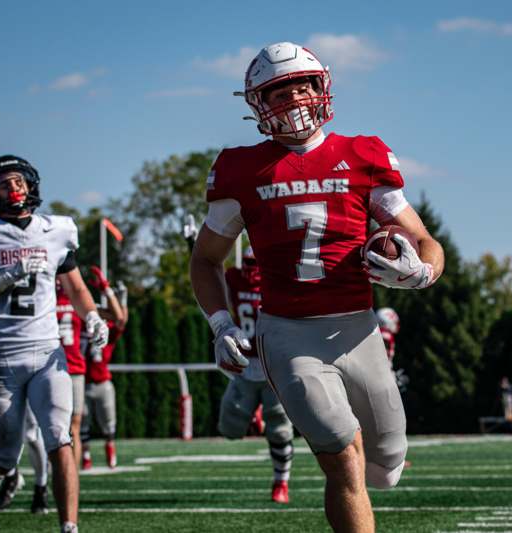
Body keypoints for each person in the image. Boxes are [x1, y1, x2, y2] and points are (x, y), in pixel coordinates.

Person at [190, 42, 444, 532]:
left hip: (358, 330)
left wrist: (422, 272)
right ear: (257, 104)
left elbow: (425, 241)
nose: (294, 99)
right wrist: (219, 323)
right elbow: (205, 259)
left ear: (322, 86)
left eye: (301, 85)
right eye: (278, 91)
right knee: (343, 456)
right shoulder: (241, 169)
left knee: (386, 466)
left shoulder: (363, 154)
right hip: (288, 334)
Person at [0, 154, 108, 533]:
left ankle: (69, 527)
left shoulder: (54, 230)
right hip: (2, 355)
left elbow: (75, 287)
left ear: (32, 186)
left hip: (47, 353)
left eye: (19, 182)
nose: (14, 189)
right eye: (6, 184)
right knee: (7, 453)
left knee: (60, 440)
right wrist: (3, 279)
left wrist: (91, 317)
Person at [218, 246, 294, 504]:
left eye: (254, 263)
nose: (250, 270)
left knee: (281, 431)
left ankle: (280, 482)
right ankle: (254, 415)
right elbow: (210, 273)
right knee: (229, 429)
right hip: (244, 364)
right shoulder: (238, 278)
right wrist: (193, 248)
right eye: (247, 263)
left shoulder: (275, 281)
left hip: (273, 365)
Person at [81, 267, 127, 470]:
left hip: (101, 382)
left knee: (109, 423)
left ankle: (110, 452)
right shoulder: (78, 327)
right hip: (81, 381)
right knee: (82, 423)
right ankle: (86, 456)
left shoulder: (107, 334)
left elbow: (119, 319)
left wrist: (109, 291)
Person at [56, 279, 87, 469]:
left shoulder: (78, 299)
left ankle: (70, 474)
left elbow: (116, 318)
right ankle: (65, 473)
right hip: (56, 369)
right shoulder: (77, 300)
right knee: (68, 427)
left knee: (72, 426)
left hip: (71, 369)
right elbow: (117, 316)